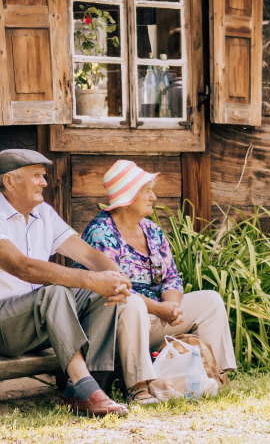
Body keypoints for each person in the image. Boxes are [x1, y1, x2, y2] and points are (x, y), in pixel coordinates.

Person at [0, 148, 133, 416]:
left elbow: (87, 254)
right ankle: (88, 390)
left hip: (34, 321)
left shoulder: (44, 214)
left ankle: (87, 391)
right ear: (10, 182)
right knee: (55, 293)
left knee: (97, 295)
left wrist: (117, 278)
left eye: (44, 175)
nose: (45, 182)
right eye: (37, 175)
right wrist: (90, 279)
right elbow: (23, 268)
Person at [79, 160, 237, 404]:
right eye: (147, 190)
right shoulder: (102, 232)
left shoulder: (151, 230)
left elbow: (171, 276)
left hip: (153, 316)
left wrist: (171, 306)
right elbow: (114, 288)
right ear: (128, 196)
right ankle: (137, 387)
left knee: (210, 301)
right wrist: (158, 309)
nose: (154, 196)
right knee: (131, 304)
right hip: (111, 322)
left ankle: (216, 374)